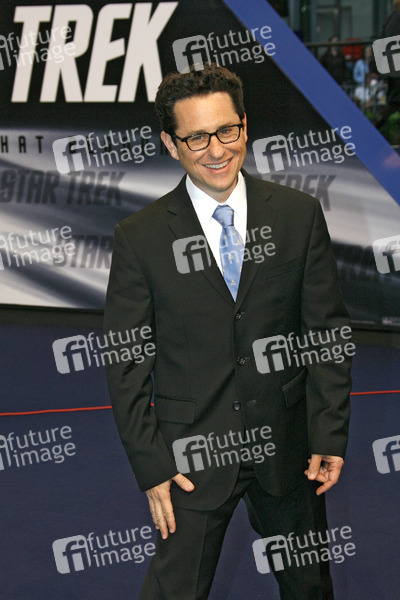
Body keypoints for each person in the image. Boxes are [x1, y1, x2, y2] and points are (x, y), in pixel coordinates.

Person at [103, 64, 352, 600]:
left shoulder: (298, 216)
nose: (216, 150)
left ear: (245, 126)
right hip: (190, 461)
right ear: (171, 144)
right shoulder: (140, 237)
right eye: (196, 137)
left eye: (226, 130)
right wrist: (151, 465)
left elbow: (326, 334)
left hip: (288, 449)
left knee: (309, 587)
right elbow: (126, 366)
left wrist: (328, 432)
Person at [374, 0, 400, 128]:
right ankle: (374, 123)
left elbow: (380, 42)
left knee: (394, 102)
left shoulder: (390, 19)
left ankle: (376, 122)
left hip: (391, 68)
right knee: (394, 103)